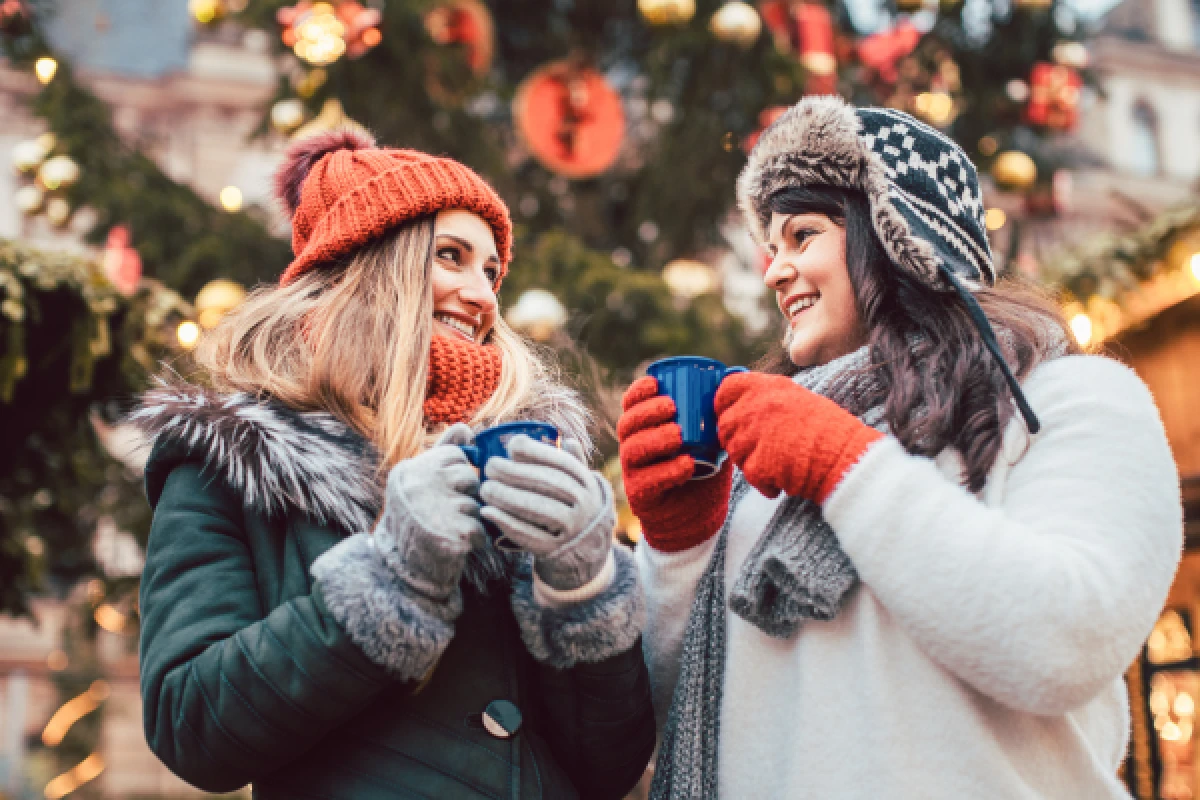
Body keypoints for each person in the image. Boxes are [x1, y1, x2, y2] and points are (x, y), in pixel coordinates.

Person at [619, 96, 1182, 799]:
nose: (775, 271)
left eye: (802, 236)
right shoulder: (763, 465)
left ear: (894, 237)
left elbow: (1064, 640)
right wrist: (677, 549)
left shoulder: (1071, 400)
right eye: (773, 246)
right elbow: (677, 716)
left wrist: (846, 468)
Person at [133, 129, 654, 800]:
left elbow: (608, 768)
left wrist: (583, 589)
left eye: (490, 270)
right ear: (370, 265)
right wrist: (388, 580)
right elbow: (190, 725)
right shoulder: (233, 461)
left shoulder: (532, 457)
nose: (483, 294)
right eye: (452, 256)